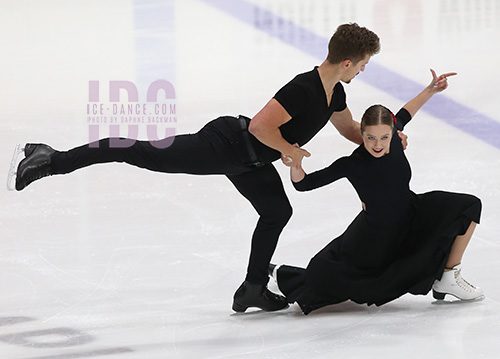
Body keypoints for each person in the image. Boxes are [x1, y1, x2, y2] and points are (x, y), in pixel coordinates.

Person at [13, 23, 393, 313]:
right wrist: (288, 150)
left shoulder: (336, 93)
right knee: (141, 152)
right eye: (361, 65)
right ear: (347, 61)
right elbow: (262, 126)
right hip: (227, 143)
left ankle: (252, 288)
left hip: (251, 161)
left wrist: (386, 136)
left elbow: (349, 129)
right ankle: (50, 159)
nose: (361, 71)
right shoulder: (304, 87)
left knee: (277, 211)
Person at [269, 69, 484, 315]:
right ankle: (280, 274)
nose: (378, 145)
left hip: (411, 214)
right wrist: (296, 167)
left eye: (384, 137)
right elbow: (304, 184)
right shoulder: (352, 163)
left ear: (393, 132)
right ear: (361, 134)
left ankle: (449, 276)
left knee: (469, 206)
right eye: (370, 138)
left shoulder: (395, 140)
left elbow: (405, 113)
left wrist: (431, 89)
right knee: (324, 279)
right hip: (375, 237)